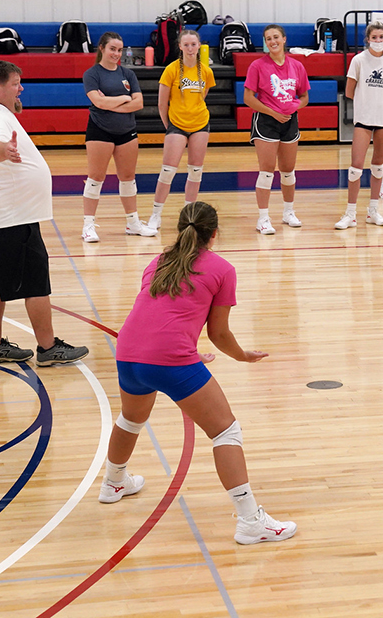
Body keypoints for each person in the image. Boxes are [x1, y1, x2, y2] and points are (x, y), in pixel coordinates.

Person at [99, 201, 296, 545]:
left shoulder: (158, 260)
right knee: (226, 431)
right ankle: (251, 521)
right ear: (214, 234)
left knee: (130, 420)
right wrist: (243, 357)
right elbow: (219, 334)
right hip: (169, 358)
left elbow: (157, 314)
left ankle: (114, 481)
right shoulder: (222, 269)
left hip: (129, 353)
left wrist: (185, 352)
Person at [0, 60, 89, 366]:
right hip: (10, 218)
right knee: (35, 284)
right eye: (15, 83)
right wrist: (3, 151)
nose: (20, 88)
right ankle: (48, 348)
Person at [81, 33, 155, 242]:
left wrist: (112, 103)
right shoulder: (92, 74)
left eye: (120, 50)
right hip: (99, 131)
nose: (116, 53)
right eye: (112, 49)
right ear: (102, 48)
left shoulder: (128, 74)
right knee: (96, 178)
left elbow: (139, 103)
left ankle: (133, 223)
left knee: (128, 178)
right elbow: (98, 103)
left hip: (127, 131)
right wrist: (124, 98)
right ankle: (88, 226)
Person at [243, 24, 310, 233]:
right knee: (267, 171)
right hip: (266, 121)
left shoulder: (297, 66)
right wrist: (273, 113)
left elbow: (304, 97)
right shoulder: (257, 66)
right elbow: (247, 98)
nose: (272, 41)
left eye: (275, 37)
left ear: (283, 39)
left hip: (290, 121)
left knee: (288, 171)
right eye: (268, 39)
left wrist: (293, 107)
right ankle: (263, 218)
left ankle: (288, 212)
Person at [147, 30, 216, 232]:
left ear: (199, 46)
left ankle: (189, 216)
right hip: (177, 124)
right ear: (180, 46)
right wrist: (170, 127)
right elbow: (161, 104)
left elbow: (203, 95)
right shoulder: (171, 70)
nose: (190, 48)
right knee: (168, 171)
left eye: (193, 44)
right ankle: (155, 215)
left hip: (200, 124)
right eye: (186, 45)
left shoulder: (207, 71)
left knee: (195, 171)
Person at [338, 22, 383, 229]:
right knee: (356, 167)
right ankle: (350, 214)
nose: (377, 41)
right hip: (364, 120)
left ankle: (373, 211)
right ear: (367, 39)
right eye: (373, 37)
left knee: (378, 167)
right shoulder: (358, 60)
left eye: (381, 37)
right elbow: (349, 91)